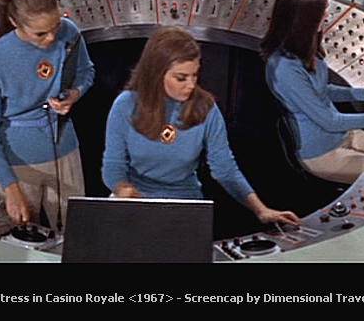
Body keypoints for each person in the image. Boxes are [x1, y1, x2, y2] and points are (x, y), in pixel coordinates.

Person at [102, 26, 300, 226]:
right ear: (156, 73)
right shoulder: (125, 105)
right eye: (181, 78)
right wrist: (122, 188)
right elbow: (113, 165)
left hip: (185, 201)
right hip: (137, 199)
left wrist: (261, 210)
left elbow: (225, 169)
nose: (190, 85)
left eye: (194, 75)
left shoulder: (205, 108)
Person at [0, 0, 94, 229]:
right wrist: (11, 189)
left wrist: (74, 93)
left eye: (54, 26)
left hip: (66, 152)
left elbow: (86, 72)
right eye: (40, 33)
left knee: (77, 232)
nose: (51, 38)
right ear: (14, 22)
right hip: (17, 166)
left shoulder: (69, 32)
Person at [260, 0, 364, 185]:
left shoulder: (305, 47)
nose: (326, 15)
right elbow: (329, 121)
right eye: (321, 11)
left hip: (343, 135)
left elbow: (321, 90)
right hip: (322, 154)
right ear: (304, 18)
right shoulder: (284, 69)